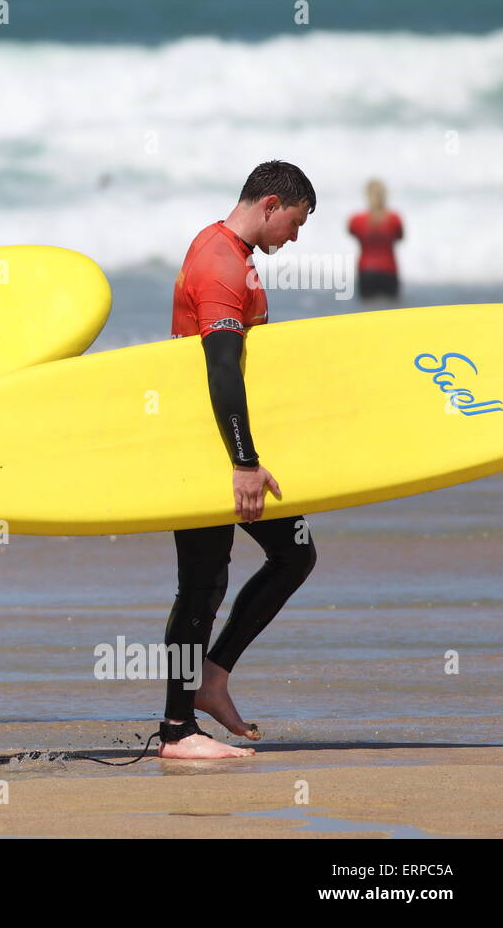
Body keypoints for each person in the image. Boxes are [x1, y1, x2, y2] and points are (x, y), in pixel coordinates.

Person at [159, 161, 319, 760]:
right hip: (208, 448)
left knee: (292, 551)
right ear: (271, 203)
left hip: (219, 444)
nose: (295, 239)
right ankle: (177, 730)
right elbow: (221, 368)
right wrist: (245, 462)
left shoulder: (227, 249)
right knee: (199, 586)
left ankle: (212, 679)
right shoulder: (221, 263)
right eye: (295, 224)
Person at [347, 179, 403, 302]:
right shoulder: (394, 219)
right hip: (389, 269)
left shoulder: (357, 220)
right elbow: (401, 237)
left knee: (367, 313)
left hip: (366, 270)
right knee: (390, 314)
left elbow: (351, 232)